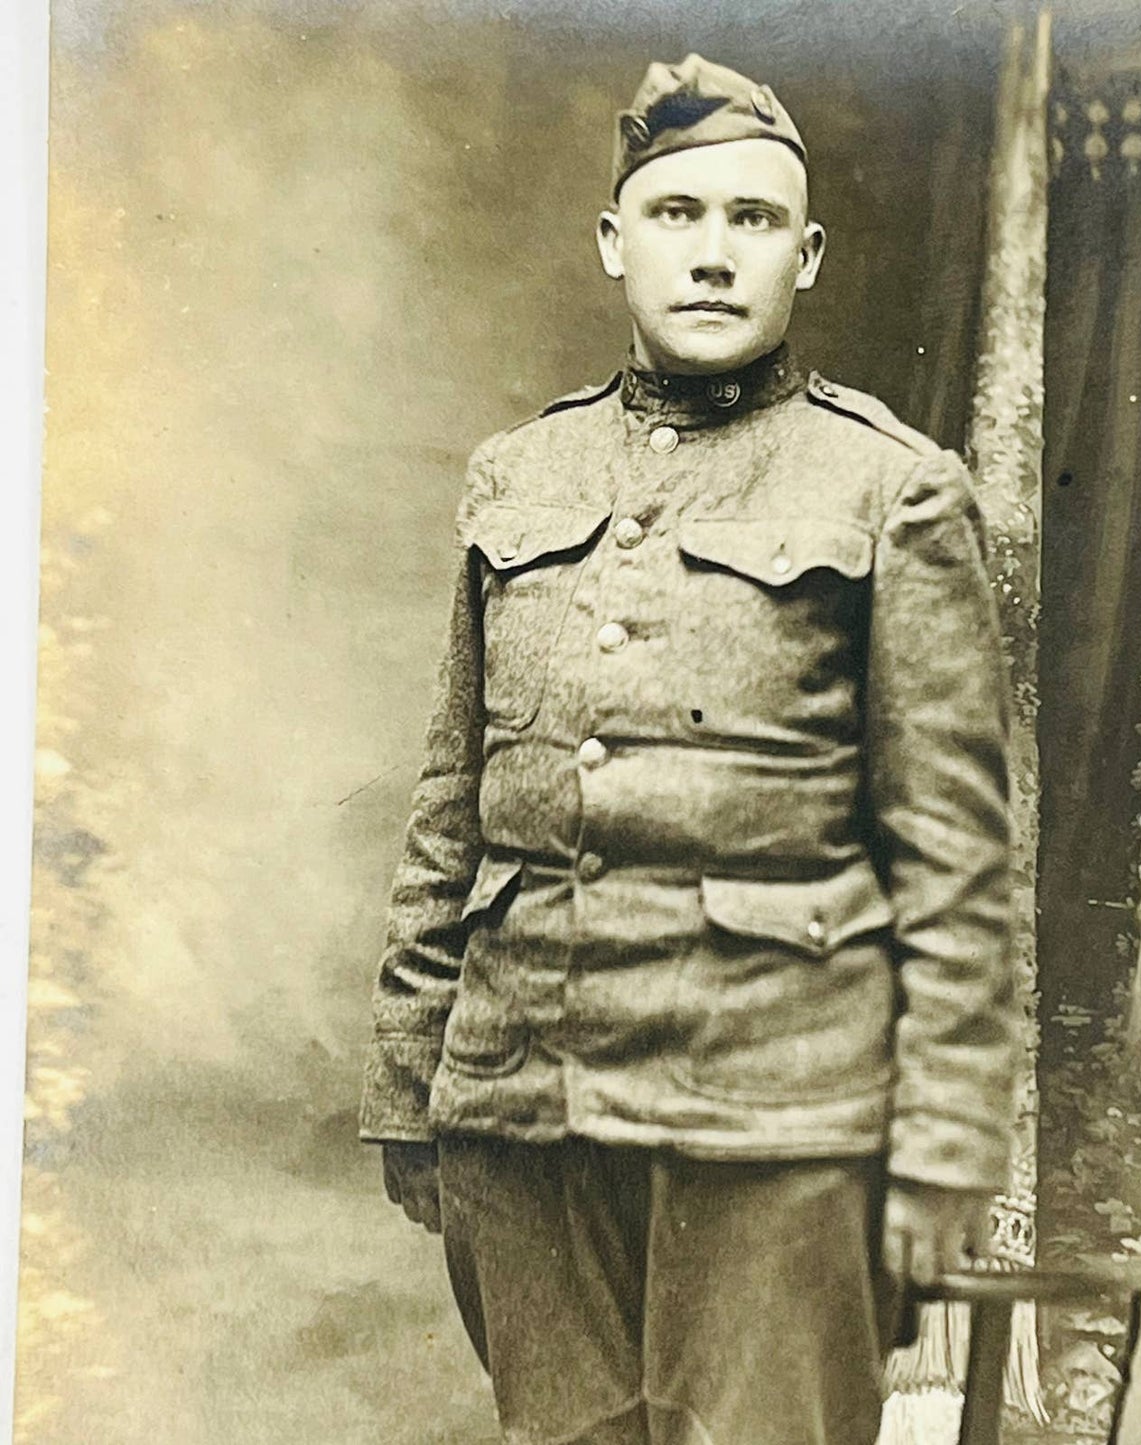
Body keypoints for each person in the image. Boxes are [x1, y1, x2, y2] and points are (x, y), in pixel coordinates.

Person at [360, 52, 1018, 1445]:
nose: (712, 254)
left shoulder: (892, 489)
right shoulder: (518, 478)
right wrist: (412, 1077)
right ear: (613, 243)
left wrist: (948, 1143)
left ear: (808, 254)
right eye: (675, 216)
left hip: (777, 1130)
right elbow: (451, 801)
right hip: (524, 1107)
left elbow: (959, 859)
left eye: (753, 220)